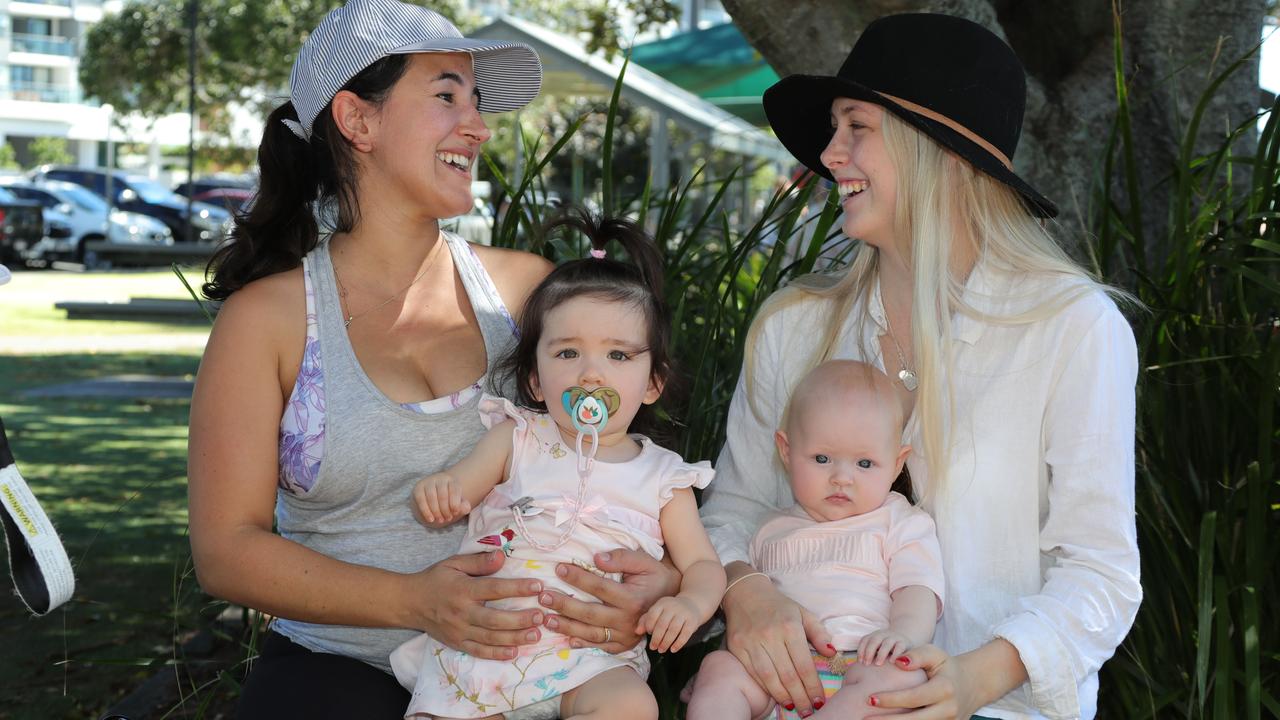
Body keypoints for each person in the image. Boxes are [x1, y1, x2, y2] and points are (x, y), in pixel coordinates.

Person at [186, 2, 680, 718]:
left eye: (476, 102)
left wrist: (660, 580)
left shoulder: (525, 293)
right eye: (446, 95)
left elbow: (623, 453)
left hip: (538, 671)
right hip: (337, 667)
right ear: (358, 121)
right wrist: (416, 602)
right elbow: (226, 550)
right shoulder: (267, 321)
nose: (476, 126)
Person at [700, 13, 1141, 720]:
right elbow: (735, 509)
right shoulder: (794, 326)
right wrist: (746, 594)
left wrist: (974, 679)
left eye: (856, 127)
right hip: (798, 702)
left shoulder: (1072, 328)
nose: (829, 152)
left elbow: (1101, 573)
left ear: (937, 151)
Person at [390, 212, 726, 720]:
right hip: (489, 643)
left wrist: (690, 604)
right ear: (535, 382)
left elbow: (702, 564)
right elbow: (460, 486)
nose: (591, 374)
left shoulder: (664, 478)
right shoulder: (516, 438)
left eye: (618, 355)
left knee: (632, 707)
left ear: (653, 383)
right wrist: (443, 492)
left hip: (592, 660)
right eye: (568, 352)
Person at [688, 360, 942, 720]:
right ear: (786, 451)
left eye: (865, 464)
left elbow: (918, 590)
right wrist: (732, 658)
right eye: (822, 458)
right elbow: (748, 615)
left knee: (905, 677)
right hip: (781, 674)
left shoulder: (900, 522)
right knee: (718, 668)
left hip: (863, 663)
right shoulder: (766, 531)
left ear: (898, 462)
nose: (842, 477)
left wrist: (902, 634)